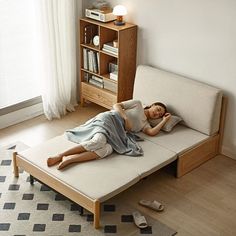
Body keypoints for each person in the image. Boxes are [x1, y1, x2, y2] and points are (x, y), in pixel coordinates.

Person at [47, 100, 171, 170]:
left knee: (108, 149)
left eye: (160, 115)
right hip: (110, 119)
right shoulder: (137, 104)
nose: (158, 113)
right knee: (99, 141)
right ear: (152, 105)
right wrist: (125, 118)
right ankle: (59, 156)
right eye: (158, 109)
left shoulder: (145, 124)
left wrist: (164, 120)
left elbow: (152, 132)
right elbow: (117, 105)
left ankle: (71, 159)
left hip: (118, 133)